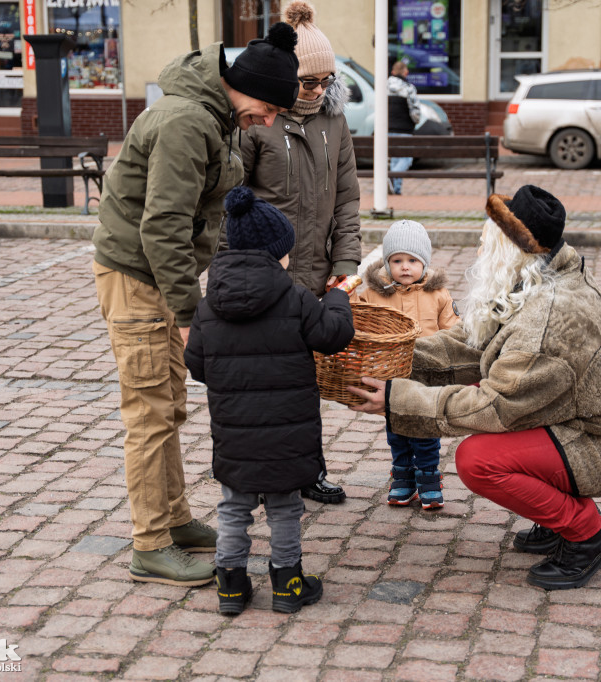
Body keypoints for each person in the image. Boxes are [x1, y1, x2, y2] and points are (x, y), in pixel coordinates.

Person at [349, 185, 601, 591]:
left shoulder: (549, 316)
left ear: (514, 251)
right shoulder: (535, 279)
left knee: (479, 459)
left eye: (487, 243)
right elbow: (468, 345)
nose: (480, 250)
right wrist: (389, 354)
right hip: (576, 421)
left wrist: (396, 397)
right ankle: (557, 518)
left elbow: (495, 405)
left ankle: (588, 534)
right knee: (492, 440)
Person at [91, 24, 300, 588]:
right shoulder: (187, 121)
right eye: (271, 107)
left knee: (171, 405)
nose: (271, 120)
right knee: (150, 414)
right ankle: (150, 544)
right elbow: (161, 226)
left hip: (160, 276)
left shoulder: (214, 114)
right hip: (139, 277)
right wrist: (189, 316)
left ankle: (175, 520)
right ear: (247, 88)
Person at [184, 186, 355, 615]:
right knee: (284, 508)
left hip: (234, 433)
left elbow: (197, 365)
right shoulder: (295, 298)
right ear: (276, 253)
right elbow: (333, 336)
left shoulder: (207, 306)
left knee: (233, 508)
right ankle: (287, 584)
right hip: (286, 433)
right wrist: (337, 297)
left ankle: (230, 585)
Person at [241, 0, 362, 505]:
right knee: (265, 384)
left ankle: (307, 469)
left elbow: (349, 199)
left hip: (317, 280)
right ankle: (262, 473)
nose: (317, 91)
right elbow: (234, 202)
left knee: (306, 385)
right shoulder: (259, 122)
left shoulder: (334, 124)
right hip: (268, 280)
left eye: (326, 81)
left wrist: (347, 264)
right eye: (308, 82)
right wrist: (250, 269)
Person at [358, 220, 459, 509]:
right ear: (387, 263)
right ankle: (402, 474)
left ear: (424, 264)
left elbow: (452, 331)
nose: (405, 267)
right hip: (391, 376)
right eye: (397, 260)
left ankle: (429, 475)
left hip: (426, 376)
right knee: (397, 428)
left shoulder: (437, 294)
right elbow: (357, 316)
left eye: (412, 260)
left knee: (425, 429)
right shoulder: (374, 295)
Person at [387, 60, 421, 195]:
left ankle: (396, 189)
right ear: (406, 73)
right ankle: (392, 176)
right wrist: (415, 121)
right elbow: (415, 113)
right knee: (406, 159)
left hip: (388, 129)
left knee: (395, 158)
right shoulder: (409, 88)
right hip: (404, 130)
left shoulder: (383, 86)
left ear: (393, 72)